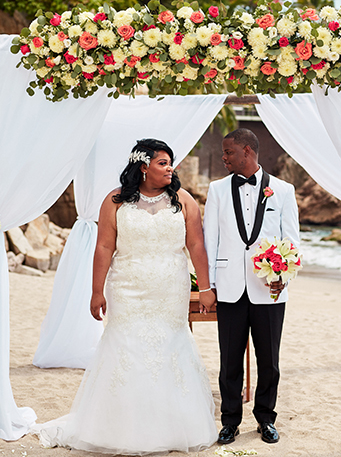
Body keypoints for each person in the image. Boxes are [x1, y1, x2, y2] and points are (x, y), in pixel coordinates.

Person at [33, 139, 218, 454]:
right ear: (143, 166)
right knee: (126, 347)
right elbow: (104, 247)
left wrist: (205, 287)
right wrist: (96, 290)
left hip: (169, 289)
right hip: (127, 288)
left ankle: (171, 424)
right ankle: (120, 426)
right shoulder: (115, 201)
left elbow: (197, 245)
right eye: (163, 162)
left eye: (170, 162)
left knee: (170, 346)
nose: (170, 168)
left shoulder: (184, 201)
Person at [202, 128, 300, 445]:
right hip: (229, 287)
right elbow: (210, 239)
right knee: (229, 360)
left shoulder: (284, 191)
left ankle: (266, 419)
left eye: (228, 152)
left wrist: (282, 274)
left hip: (269, 289)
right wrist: (210, 286)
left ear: (247, 150)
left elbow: (292, 241)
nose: (224, 157)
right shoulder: (216, 190)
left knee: (269, 361)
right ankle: (230, 421)